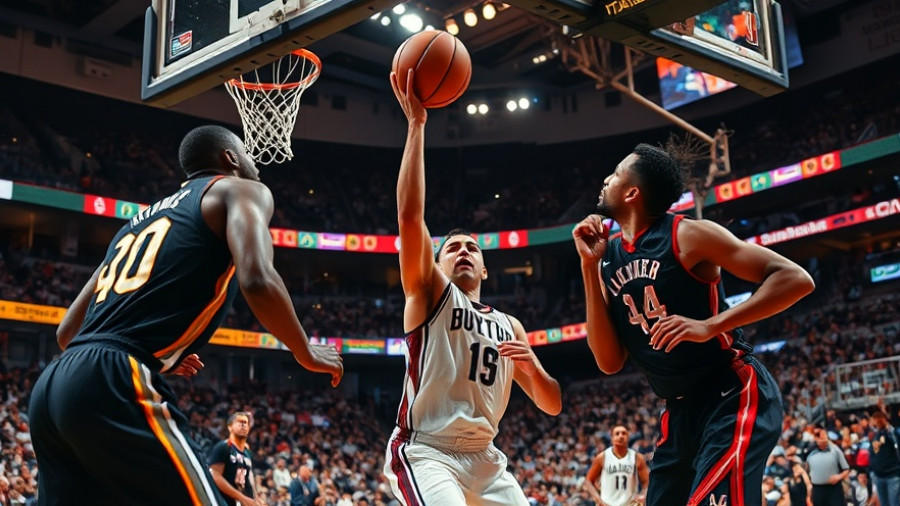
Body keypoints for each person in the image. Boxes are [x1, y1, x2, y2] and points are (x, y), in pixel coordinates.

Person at [28, 125, 343, 505]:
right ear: (230, 158)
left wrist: (154, 353)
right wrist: (304, 350)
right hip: (112, 377)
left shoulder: (134, 224)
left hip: (53, 386)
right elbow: (258, 279)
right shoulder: (240, 189)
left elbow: (66, 332)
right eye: (246, 152)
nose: (253, 162)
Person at [572, 143, 815, 506]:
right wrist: (588, 267)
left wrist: (711, 325)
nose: (606, 180)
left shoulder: (688, 235)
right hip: (679, 412)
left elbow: (795, 279)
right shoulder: (609, 258)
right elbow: (608, 361)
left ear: (632, 192)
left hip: (731, 393)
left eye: (615, 173)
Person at [382, 69, 563, 506]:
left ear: (484, 269)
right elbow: (410, 218)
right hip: (427, 450)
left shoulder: (510, 325)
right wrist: (417, 126)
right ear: (437, 264)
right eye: (452, 248)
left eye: (472, 248)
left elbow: (552, 404)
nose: (463, 251)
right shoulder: (430, 294)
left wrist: (534, 368)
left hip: (485, 457)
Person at [583, 425, 650, 505]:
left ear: (628, 437)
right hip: (607, 503)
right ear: (612, 438)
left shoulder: (637, 457)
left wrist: (643, 494)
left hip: (629, 504)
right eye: (617, 434)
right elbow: (588, 480)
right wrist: (597, 499)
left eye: (624, 433)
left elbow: (646, 482)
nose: (621, 436)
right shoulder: (602, 457)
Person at [209, 412, 263, 506]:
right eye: (239, 422)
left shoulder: (247, 452)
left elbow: (249, 479)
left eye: (245, 422)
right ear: (230, 427)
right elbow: (215, 476)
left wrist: (256, 499)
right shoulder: (223, 447)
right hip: (224, 501)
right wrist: (240, 497)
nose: (243, 425)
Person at [807, 427, 850, 506]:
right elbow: (807, 470)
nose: (821, 438)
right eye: (818, 435)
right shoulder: (810, 452)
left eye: (823, 435)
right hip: (817, 490)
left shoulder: (835, 451)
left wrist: (839, 477)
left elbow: (846, 469)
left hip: (833, 489)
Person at [870, 406, 900, 506]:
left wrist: (887, 425)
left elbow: (896, 445)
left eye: (874, 421)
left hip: (892, 476)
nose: (873, 423)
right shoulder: (875, 435)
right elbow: (872, 453)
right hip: (879, 476)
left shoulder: (891, 433)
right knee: (884, 504)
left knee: (893, 503)